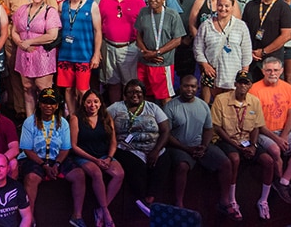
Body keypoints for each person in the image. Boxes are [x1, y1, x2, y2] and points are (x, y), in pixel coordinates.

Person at [162, 76, 234, 214]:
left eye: (193, 86)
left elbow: (208, 129)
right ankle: (179, 203)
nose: (189, 89)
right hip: (179, 146)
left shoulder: (203, 106)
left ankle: (225, 201)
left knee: (226, 162)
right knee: (182, 166)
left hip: (200, 146)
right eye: (186, 86)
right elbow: (167, 135)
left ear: (197, 88)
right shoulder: (170, 107)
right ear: (180, 86)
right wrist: (186, 149)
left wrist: (204, 146)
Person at [211, 71, 275, 220]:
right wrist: (235, 145)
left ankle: (263, 201)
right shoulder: (221, 99)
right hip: (227, 140)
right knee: (234, 158)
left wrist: (253, 146)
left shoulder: (255, 101)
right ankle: (232, 200)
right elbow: (217, 128)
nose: (243, 85)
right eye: (240, 82)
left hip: (247, 141)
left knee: (269, 161)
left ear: (250, 85)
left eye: (246, 83)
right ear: (235, 84)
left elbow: (256, 127)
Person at [16, 88, 85, 225]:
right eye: (45, 102)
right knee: (31, 178)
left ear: (57, 105)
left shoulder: (63, 123)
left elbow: (65, 148)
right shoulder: (30, 122)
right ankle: (30, 218)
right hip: (35, 158)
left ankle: (77, 216)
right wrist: (44, 165)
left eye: (52, 103)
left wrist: (57, 164)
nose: (48, 106)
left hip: (56, 158)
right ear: (39, 104)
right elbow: (27, 149)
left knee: (79, 174)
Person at [250, 57, 291, 205]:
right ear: (263, 71)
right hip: (263, 132)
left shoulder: (287, 87)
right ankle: (279, 181)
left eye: (276, 70)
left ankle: (283, 182)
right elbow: (257, 123)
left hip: (282, 131)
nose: (272, 73)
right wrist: (277, 139)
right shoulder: (254, 89)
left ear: (281, 71)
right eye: (269, 70)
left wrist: (283, 136)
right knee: (276, 150)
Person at [108, 80, 170, 217]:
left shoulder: (152, 107)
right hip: (128, 148)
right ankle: (140, 199)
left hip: (153, 147)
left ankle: (150, 199)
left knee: (164, 161)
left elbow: (165, 130)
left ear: (143, 94)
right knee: (137, 166)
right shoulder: (116, 108)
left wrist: (155, 151)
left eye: (138, 92)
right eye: (130, 92)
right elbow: (104, 123)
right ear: (125, 95)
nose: (134, 95)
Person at [68, 90, 123, 227]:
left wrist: (109, 158)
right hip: (83, 155)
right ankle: (106, 212)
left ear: (100, 104)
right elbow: (74, 146)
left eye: (96, 101)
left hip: (104, 155)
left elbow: (113, 142)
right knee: (96, 173)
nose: (92, 105)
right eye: (89, 102)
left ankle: (101, 208)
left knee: (119, 174)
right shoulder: (75, 118)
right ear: (84, 103)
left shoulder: (106, 117)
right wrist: (95, 160)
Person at [10, 0, 60, 116]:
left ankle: (46, 122)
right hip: (23, 54)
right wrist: (20, 43)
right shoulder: (22, 9)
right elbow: (14, 30)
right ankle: (29, 121)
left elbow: (52, 35)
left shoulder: (50, 12)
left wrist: (30, 42)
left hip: (42, 55)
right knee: (27, 88)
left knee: (44, 90)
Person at [194, 0, 253, 104]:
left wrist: (244, 73)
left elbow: (246, 50)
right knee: (209, 105)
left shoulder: (241, 26)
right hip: (212, 73)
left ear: (232, 7)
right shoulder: (206, 25)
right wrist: (205, 65)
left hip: (233, 73)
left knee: (231, 105)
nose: (223, 8)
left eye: (227, 6)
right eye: (220, 5)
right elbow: (198, 47)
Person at [56, 0, 101, 115]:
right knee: (68, 88)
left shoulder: (91, 5)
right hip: (66, 54)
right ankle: (73, 116)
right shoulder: (62, 5)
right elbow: (58, 28)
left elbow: (98, 30)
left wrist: (96, 54)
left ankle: (86, 115)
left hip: (84, 54)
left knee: (83, 89)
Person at [98, 0, 145, 104]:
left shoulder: (138, 2)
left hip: (130, 48)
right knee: (112, 83)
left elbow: (143, 28)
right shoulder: (105, 1)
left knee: (130, 86)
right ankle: (114, 112)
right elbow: (98, 25)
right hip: (108, 47)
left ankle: (129, 113)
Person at [242, 0, 291, 81]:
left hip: (272, 57)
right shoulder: (251, 5)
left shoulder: (284, 8)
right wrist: (249, 51)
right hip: (251, 56)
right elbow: (244, 30)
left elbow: (285, 35)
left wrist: (264, 51)